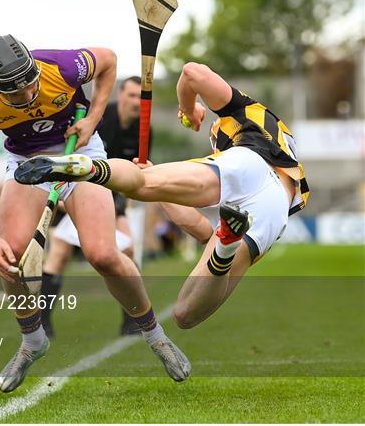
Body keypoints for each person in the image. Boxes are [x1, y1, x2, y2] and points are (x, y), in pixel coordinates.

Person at [0, 35, 191, 393]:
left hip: (81, 154)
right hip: (27, 163)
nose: (29, 97)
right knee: (11, 257)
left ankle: (155, 335)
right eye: (17, 96)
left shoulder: (61, 67)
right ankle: (33, 340)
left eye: (31, 86)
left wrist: (93, 118)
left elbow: (109, 59)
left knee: (103, 255)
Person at [15, 61, 310, 331]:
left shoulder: (242, 114)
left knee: (141, 182)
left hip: (246, 162)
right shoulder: (266, 132)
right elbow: (202, 231)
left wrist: (189, 106)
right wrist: (170, 198)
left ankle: (88, 167)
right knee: (185, 314)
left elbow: (193, 72)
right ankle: (226, 249)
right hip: (274, 206)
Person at [41, 76, 148, 337]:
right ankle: (42, 321)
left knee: (128, 250)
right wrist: (68, 197)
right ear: (120, 95)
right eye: (131, 96)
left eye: (140, 97)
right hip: (79, 190)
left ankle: (132, 319)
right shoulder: (102, 118)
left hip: (114, 197)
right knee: (59, 253)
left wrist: (125, 205)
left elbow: (140, 170)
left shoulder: (144, 127)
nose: (136, 102)